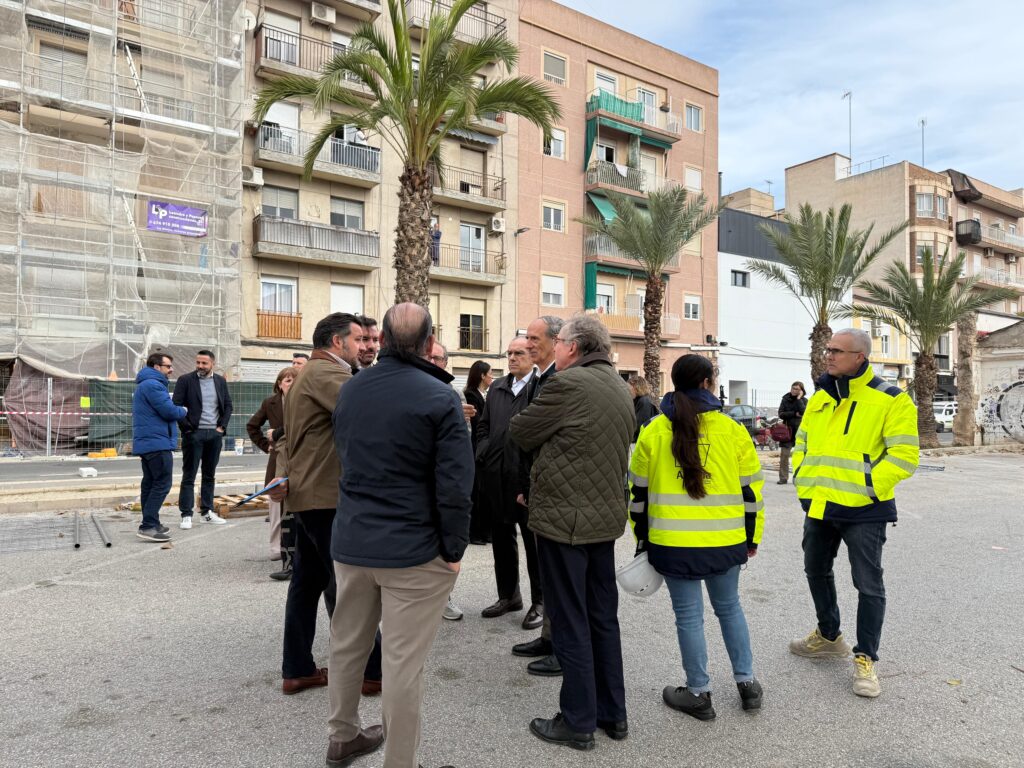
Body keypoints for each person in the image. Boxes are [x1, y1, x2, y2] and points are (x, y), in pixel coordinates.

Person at [326, 303, 472, 768]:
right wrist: (454, 549)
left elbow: (348, 458)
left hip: (353, 541)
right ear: (431, 344)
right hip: (413, 550)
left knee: (347, 646)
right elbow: (454, 485)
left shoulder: (351, 390)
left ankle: (342, 736)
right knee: (403, 663)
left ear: (383, 341)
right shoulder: (440, 397)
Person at [509, 315, 634, 751]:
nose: (553, 348)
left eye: (558, 342)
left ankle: (578, 720)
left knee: (571, 621)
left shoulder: (567, 385)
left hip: (566, 521)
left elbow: (520, 431)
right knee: (603, 617)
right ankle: (612, 713)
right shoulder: (618, 385)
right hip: (602, 521)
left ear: (574, 348)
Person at [629, 354, 766, 722]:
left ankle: (698, 692)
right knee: (730, 608)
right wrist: (751, 539)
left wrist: (642, 540)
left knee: (688, 617)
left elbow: (637, 496)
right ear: (707, 382)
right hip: (725, 542)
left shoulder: (654, 430)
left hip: (672, 544)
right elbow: (751, 494)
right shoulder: (733, 430)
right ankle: (747, 684)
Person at [788, 329, 919, 698]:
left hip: (865, 510)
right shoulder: (820, 397)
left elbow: (905, 458)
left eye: (836, 351)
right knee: (815, 570)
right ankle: (829, 635)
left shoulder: (892, 399)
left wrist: (866, 488)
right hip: (819, 504)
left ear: (860, 357)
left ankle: (866, 658)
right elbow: (803, 443)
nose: (828, 355)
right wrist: (801, 478)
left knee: (868, 584)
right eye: (827, 349)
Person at [268, 313, 382, 697]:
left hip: (309, 494)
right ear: (338, 342)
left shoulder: (309, 374)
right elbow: (370, 414)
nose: (361, 346)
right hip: (326, 496)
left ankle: (297, 668)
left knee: (306, 583)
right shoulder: (328, 374)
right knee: (347, 586)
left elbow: (290, 437)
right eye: (357, 339)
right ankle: (372, 670)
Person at [477, 337, 543, 629]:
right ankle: (509, 596)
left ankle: (540, 601)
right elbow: (483, 426)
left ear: (532, 355)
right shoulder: (497, 388)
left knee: (535, 544)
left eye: (519, 353)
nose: (512, 358)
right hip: (496, 476)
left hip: (525, 479)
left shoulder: (540, 387)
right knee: (502, 541)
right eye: (509, 353)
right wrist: (484, 451)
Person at [511, 315, 564, 675]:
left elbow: (535, 434)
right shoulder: (541, 377)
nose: (528, 344)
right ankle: (548, 637)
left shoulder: (561, 379)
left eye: (534, 338)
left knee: (558, 575)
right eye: (525, 337)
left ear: (557, 341)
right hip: (536, 487)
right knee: (543, 565)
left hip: (556, 491)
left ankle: (561, 647)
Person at [428, 341, 471, 622]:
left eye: (437, 358)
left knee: (448, 548)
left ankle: (444, 597)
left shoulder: (452, 395)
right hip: (417, 484)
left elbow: (461, 444)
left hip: (443, 483)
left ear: (445, 362)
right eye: (427, 356)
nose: (432, 362)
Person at [173, 349, 232, 529]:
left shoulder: (220, 381)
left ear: (212, 364)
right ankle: (186, 514)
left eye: (204, 363)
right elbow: (176, 406)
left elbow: (228, 405)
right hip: (194, 435)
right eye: (198, 362)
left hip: (214, 435)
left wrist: (221, 427)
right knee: (189, 475)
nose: (200, 366)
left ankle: (206, 512)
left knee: (209, 475)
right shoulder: (185, 380)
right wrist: (189, 429)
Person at [247, 367, 297, 579]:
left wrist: (276, 433)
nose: (291, 384)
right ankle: (277, 549)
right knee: (276, 508)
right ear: (279, 383)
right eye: (287, 380)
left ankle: (292, 552)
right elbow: (252, 426)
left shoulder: (303, 400)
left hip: (297, 457)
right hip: (278, 458)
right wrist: (265, 445)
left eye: (295, 380)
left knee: (293, 509)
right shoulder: (271, 403)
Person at [132, 353, 187, 543]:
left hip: (149, 443)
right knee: (162, 483)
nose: (171, 370)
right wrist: (184, 410)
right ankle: (147, 526)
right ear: (156, 367)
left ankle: (152, 522)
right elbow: (169, 411)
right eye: (168, 366)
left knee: (150, 483)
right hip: (157, 443)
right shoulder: (153, 385)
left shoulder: (144, 384)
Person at [464, 360, 492, 545]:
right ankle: (475, 532)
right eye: (490, 373)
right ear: (482, 375)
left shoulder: (483, 395)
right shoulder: (471, 396)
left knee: (484, 493)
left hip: (483, 451)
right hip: (475, 450)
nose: (492, 377)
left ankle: (485, 531)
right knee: (476, 493)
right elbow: (480, 423)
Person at [776, 381, 807, 484]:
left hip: (800, 431)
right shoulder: (785, 399)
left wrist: (799, 399)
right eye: (793, 388)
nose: (794, 391)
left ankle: (798, 477)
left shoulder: (804, 400)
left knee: (801, 456)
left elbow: (804, 412)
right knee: (784, 455)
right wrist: (794, 413)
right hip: (787, 431)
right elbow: (781, 414)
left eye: (797, 389)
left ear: (801, 391)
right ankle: (783, 478)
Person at [627, 374, 660, 443]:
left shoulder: (644, 401)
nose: (627, 391)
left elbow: (639, 426)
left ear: (636, 387)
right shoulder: (639, 400)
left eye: (629, 388)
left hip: (641, 441)